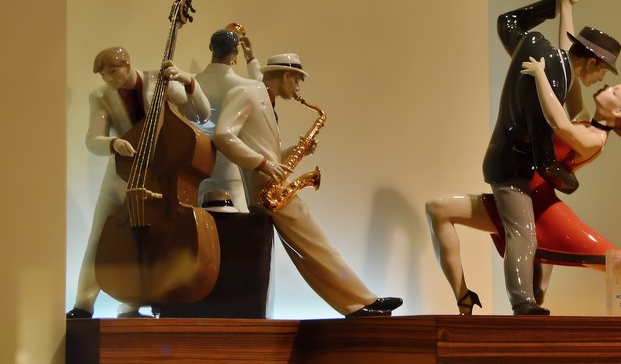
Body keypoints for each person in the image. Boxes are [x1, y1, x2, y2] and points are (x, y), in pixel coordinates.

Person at [428, 56, 621, 315]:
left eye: (615, 90)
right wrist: (567, 24)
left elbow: (559, 123)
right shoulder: (584, 119)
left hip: (544, 212)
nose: (607, 85)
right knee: (438, 209)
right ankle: (464, 296)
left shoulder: (593, 140)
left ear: (618, 111)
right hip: (517, 199)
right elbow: (570, 62)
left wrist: (539, 74)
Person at [213, 53, 403, 317]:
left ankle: (354, 304)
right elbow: (223, 136)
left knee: (308, 253)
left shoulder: (267, 102)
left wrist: (295, 150)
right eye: (297, 80)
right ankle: (362, 301)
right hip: (266, 190)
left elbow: (264, 151)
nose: (298, 88)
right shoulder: (246, 93)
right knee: (318, 246)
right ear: (286, 75)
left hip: (271, 187)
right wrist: (263, 164)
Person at [482, 0, 621, 315]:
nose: (603, 80)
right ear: (591, 63)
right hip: (518, 169)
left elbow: (508, 22)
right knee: (524, 236)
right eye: (604, 71)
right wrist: (569, 181)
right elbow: (551, 138)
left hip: (532, 177)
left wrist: (558, 4)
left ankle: (533, 296)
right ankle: (523, 303)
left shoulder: (552, 64)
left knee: (544, 243)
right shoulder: (557, 74)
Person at [67, 47, 211, 319]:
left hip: (162, 175)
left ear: (127, 64)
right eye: (104, 75)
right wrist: (113, 143)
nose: (109, 79)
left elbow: (201, 114)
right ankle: (83, 304)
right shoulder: (100, 97)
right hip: (122, 175)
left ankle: (137, 301)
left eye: (113, 71)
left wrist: (190, 82)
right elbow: (92, 139)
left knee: (160, 236)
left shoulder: (160, 81)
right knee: (100, 236)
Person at [194, 27, 263, 212]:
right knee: (239, 210)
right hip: (229, 158)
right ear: (235, 53)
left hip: (196, 157)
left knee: (194, 212)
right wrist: (251, 59)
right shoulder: (248, 86)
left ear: (210, 47)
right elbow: (262, 88)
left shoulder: (192, 81)